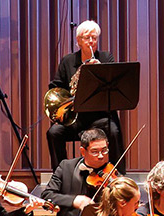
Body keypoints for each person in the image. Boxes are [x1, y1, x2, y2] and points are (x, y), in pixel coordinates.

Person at [49, 20, 124, 158]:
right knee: (54, 132)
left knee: (113, 130)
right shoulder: (68, 61)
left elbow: (113, 84)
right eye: (87, 37)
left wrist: (100, 69)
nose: (91, 41)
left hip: (100, 117)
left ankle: (117, 175)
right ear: (78, 41)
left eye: (94, 38)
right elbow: (56, 87)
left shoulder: (106, 58)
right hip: (75, 118)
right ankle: (60, 173)